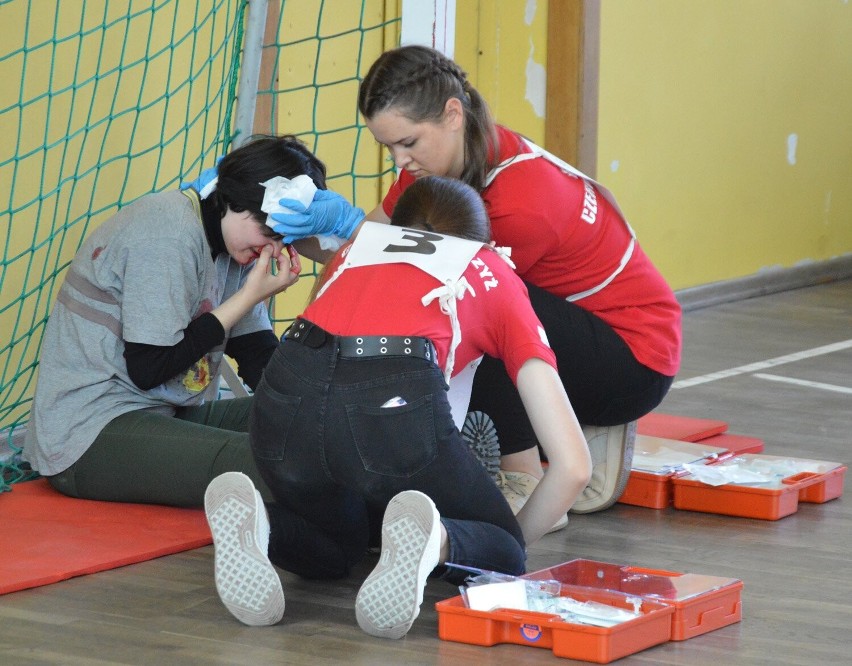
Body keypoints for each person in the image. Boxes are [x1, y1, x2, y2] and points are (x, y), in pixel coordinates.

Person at [269, 44, 682, 522]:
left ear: (451, 115)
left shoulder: (520, 203)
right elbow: (367, 251)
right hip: (578, 323)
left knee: (466, 304)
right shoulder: (442, 164)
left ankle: (522, 477)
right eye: (389, 148)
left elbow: (434, 301)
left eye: (408, 143)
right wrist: (315, 255)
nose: (399, 161)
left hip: (632, 360)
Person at [203, 175, 592, 639]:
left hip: (286, 387)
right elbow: (573, 468)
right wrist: (504, 539)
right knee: (503, 551)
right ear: (485, 240)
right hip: (390, 397)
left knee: (340, 547)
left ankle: (263, 525)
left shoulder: (358, 247)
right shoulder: (489, 269)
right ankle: (436, 539)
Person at [22, 134, 326, 508]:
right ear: (232, 200)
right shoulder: (168, 232)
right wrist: (250, 296)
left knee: (321, 422)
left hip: (171, 415)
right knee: (282, 466)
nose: (272, 248)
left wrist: (308, 408)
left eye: (283, 238)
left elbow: (257, 355)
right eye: (268, 233)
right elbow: (150, 368)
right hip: (90, 432)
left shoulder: (237, 249)